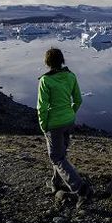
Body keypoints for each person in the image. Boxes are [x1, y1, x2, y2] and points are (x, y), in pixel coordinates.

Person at [37, 47, 93, 206]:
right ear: (62, 60)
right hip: (69, 122)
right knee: (61, 155)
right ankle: (56, 182)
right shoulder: (71, 76)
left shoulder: (45, 81)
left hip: (53, 125)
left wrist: (43, 126)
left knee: (56, 157)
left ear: (47, 62)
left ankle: (82, 190)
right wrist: (71, 113)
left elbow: (42, 107)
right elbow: (78, 100)